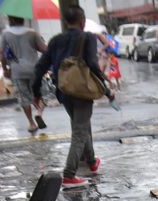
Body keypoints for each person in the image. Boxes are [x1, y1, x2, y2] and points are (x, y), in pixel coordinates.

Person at [32, 5, 115, 188]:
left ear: (65, 22)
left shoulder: (55, 41)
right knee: (79, 130)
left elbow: (41, 67)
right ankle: (69, 174)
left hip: (63, 91)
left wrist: (36, 92)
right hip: (82, 90)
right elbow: (93, 65)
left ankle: (92, 162)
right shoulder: (88, 38)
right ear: (82, 21)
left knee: (81, 124)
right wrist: (106, 89)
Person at [0, 16, 47, 133]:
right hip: (34, 69)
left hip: (17, 70)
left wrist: (5, 68)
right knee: (39, 94)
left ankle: (31, 123)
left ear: (11, 20)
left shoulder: (6, 34)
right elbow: (44, 50)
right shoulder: (32, 33)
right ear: (23, 20)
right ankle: (39, 113)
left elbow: (2, 53)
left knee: (24, 98)